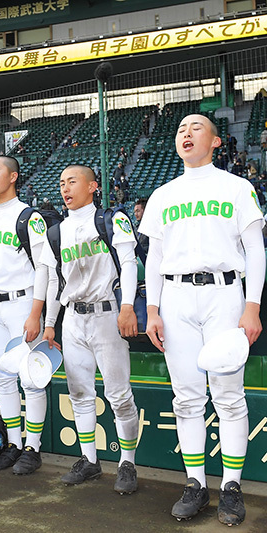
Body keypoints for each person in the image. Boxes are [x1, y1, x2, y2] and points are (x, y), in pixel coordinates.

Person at [139, 114, 265, 526]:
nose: (186, 134)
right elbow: (154, 259)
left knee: (228, 395)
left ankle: (231, 486)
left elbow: (255, 249)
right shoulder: (163, 193)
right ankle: (195, 483)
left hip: (224, 293)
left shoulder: (236, 186)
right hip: (175, 297)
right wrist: (152, 309)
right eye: (180, 130)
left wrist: (252, 305)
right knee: (187, 397)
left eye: (196, 128)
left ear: (214, 141)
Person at [40, 165, 140, 494]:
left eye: (72, 181)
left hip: (106, 314)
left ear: (93, 186)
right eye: (61, 182)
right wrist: (49, 324)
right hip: (72, 317)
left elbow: (128, 263)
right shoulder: (56, 231)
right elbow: (55, 280)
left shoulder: (111, 219)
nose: (65, 188)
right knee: (80, 394)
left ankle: (127, 462)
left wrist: (127, 307)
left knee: (119, 394)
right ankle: (89, 460)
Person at [0, 156, 50, 475]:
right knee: (4, 377)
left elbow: (44, 267)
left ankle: (34, 447)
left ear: (13, 176)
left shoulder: (28, 216)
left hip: (22, 304)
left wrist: (35, 313)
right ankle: (14, 443)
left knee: (30, 378)